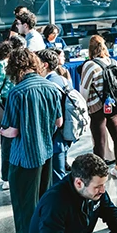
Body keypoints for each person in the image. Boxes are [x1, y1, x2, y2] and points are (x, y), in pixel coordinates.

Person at [0, 49, 64, 233]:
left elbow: (12, 131)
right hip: (46, 153)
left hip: (23, 158)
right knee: (43, 203)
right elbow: (59, 122)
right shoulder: (52, 87)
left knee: (24, 208)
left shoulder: (16, 92)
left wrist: (2, 131)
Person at [80, 35, 117, 179]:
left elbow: (84, 90)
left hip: (96, 107)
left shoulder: (89, 65)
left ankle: (99, 171)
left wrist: (84, 108)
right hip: (113, 104)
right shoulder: (113, 62)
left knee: (99, 140)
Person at [0, 35, 25, 190]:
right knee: (8, 142)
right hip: (8, 104)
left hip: (16, 102)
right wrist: (2, 105)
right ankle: (7, 176)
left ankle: (13, 174)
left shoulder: (20, 64)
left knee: (12, 141)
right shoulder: (2, 65)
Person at [36, 48, 71, 182]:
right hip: (64, 133)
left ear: (45, 65)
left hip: (55, 136)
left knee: (56, 176)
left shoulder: (48, 84)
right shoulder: (62, 79)